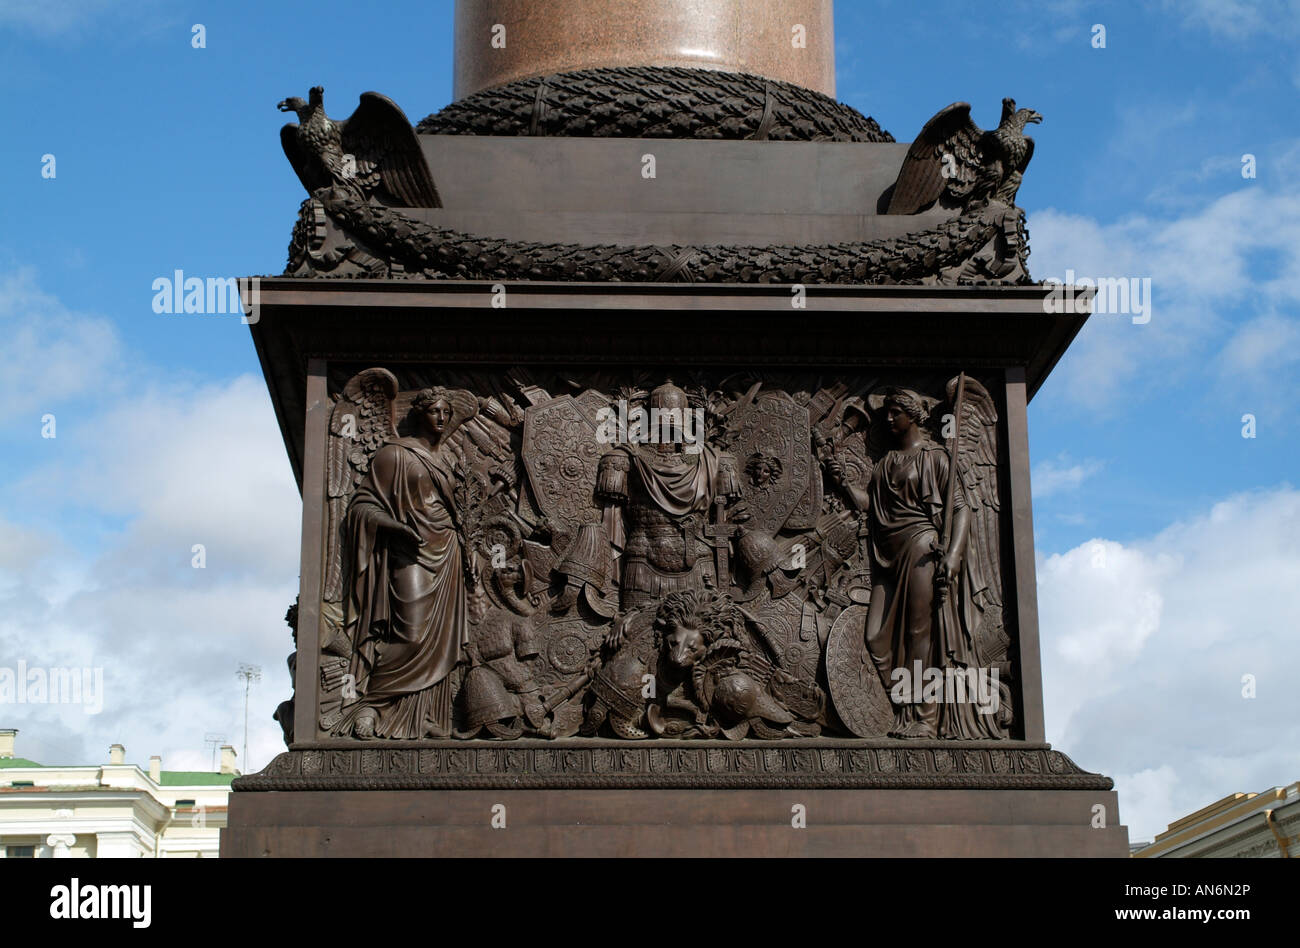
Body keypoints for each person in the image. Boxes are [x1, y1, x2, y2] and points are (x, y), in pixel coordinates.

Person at [828, 387, 994, 739]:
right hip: (888, 557)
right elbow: (870, 507)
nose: (888, 419)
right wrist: (843, 482)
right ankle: (903, 703)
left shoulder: (934, 458)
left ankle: (927, 718)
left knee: (921, 634)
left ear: (912, 415)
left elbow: (961, 509)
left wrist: (952, 556)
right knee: (874, 635)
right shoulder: (886, 464)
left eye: (894, 413)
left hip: (921, 549)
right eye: (886, 413)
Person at [339, 387, 480, 739]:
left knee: (443, 641)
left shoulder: (448, 460)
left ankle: (423, 718)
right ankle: (371, 703)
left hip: (447, 552)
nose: (442, 418)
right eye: (435, 411)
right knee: (413, 633)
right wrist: (394, 528)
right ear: (420, 414)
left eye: (447, 412)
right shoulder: (395, 456)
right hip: (410, 552)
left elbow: (459, 513)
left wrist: (469, 549)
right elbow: (362, 507)